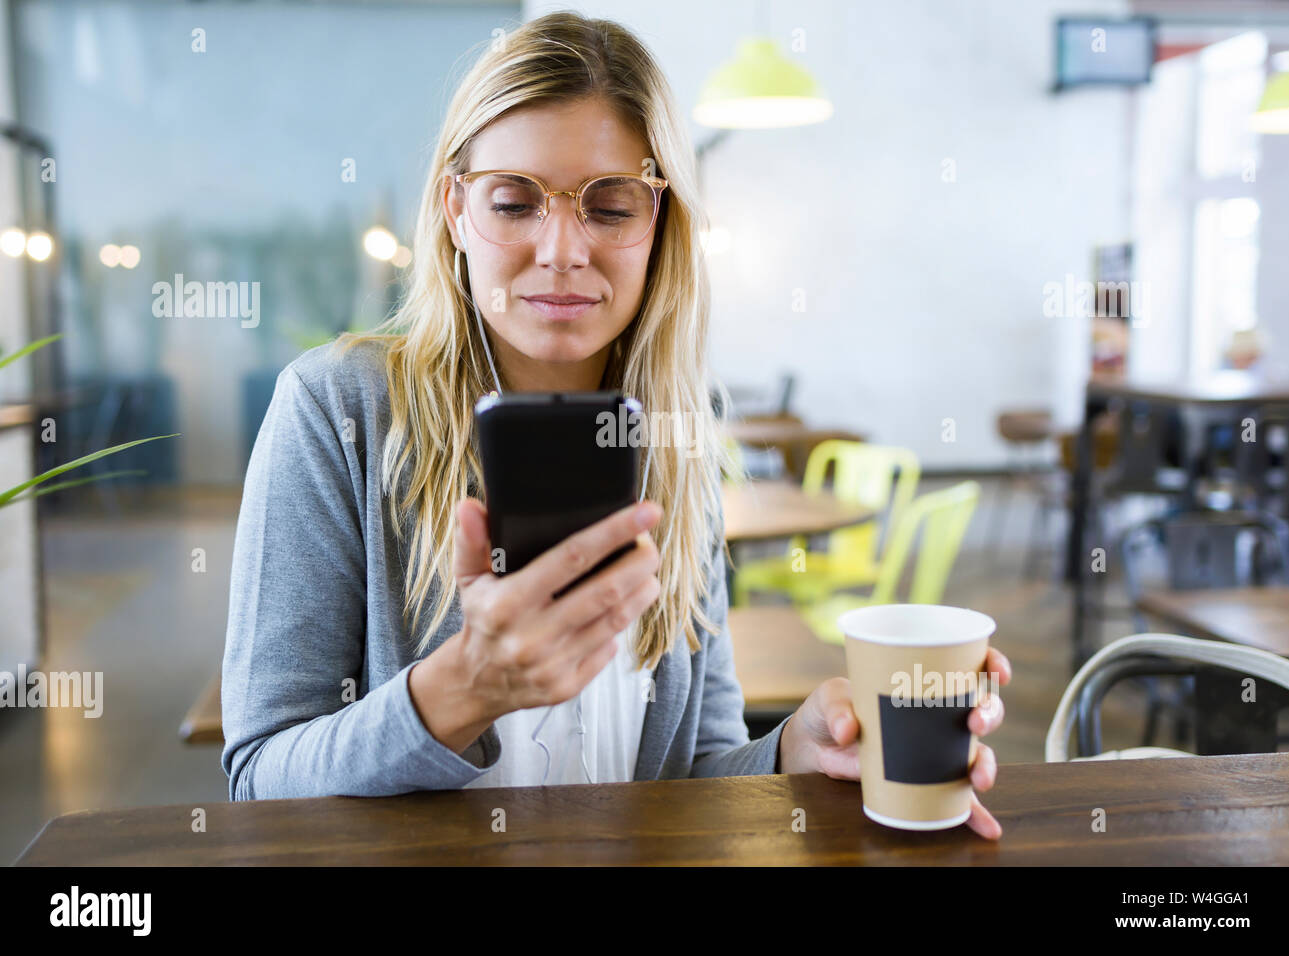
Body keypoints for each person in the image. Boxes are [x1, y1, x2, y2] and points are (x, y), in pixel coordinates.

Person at [220, 10, 1012, 839]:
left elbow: (695, 771)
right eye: (514, 202)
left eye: (610, 206)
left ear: (659, 222)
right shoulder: (337, 410)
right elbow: (259, 782)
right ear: (455, 211)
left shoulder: (677, 433)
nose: (561, 249)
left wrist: (792, 753)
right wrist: (465, 687)